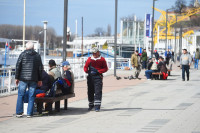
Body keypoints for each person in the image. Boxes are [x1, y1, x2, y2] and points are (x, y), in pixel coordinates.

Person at [15, 41, 43, 118]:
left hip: (23, 78)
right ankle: (29, 113)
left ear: (26, 47)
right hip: (33, 79)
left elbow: (18, 66)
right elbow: (40, 68)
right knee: (32, 96)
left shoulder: (22, 54)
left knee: (21, 95)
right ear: (33, 47)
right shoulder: (37, 55)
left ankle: (19, 112)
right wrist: (40, 79)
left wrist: (17, 78)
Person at [84, 47, 108, 112]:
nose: (94, 54)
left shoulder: (102, 60)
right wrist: (87, 72)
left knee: (98, 92)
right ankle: (91, 105)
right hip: (90, 78)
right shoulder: (89, 59)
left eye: (95, 53)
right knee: (90, 92)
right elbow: (85, 67)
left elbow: (106, 68)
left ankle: (97, 107)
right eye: (93, 53)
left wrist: (99, 71)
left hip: (98, 77)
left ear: (98, 52)